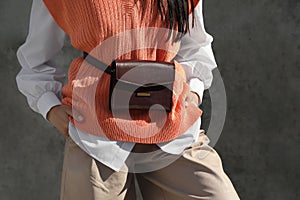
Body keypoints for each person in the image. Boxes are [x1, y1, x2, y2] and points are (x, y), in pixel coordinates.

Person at [15, 0, 240, 199]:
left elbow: (196, 47)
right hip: (96, 135)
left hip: (172, 123)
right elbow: (35, 59)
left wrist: (193, 92)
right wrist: (50, 107)